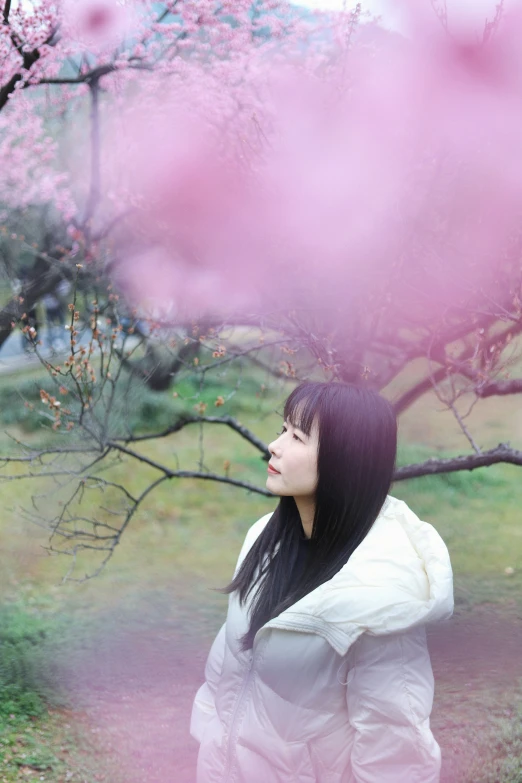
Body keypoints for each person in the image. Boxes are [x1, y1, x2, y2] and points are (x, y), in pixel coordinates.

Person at [190, 380, 454, 783]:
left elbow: (394, 750)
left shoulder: (379, 596)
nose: (275, 446)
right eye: (283, 430)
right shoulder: (267, 539)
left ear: (344, 459)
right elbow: (228, 665)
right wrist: (209, 738)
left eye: (297, 437)